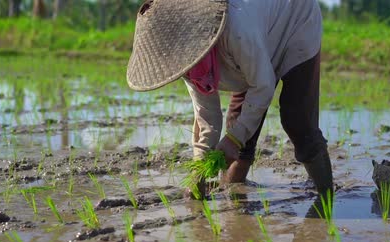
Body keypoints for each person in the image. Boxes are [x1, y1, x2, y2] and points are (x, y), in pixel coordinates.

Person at [127, 0, 333, 198]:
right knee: (237, 119)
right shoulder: (186, 59)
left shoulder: (237, 30)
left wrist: (234, 139)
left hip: (294, 18)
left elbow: (263, 86)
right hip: (257, 38)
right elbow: (206, 115)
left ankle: (326, 195)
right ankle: (234, 193)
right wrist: (199, 167)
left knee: (296, 119)